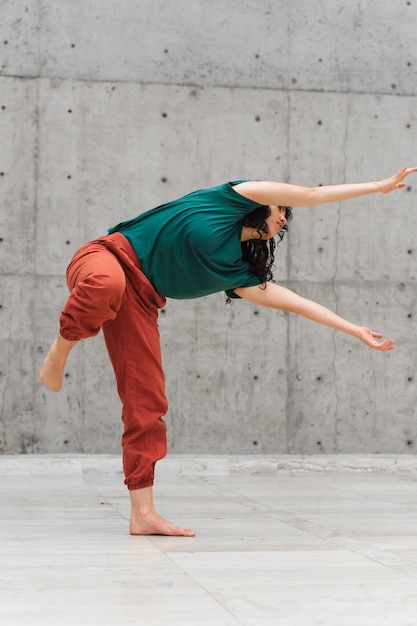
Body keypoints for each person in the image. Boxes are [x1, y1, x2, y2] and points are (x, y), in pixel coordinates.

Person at [39, 165, 417, 537]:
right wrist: (378, 186)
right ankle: (60, 351)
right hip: (105, 258)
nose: (284, 219)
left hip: (141, 301)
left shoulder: (236, 270)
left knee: (147, 401)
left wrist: (355, 330)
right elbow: (313, 194)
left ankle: (143, 514)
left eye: (288, 216)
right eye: (282, 210)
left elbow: (295, 303)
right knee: (107, 283)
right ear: (265, 202)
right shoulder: (230, 199)